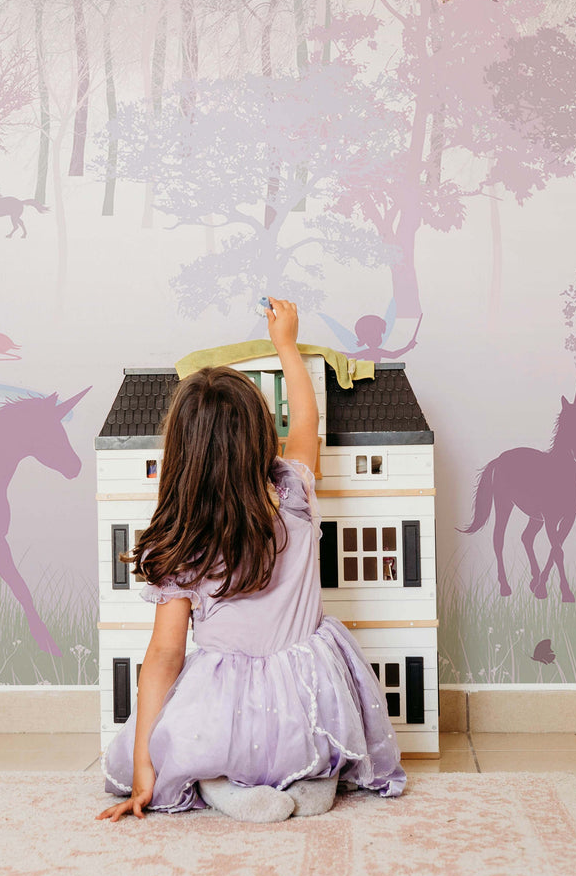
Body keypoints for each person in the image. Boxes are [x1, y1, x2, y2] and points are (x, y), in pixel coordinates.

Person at [99, 299, 406, 824]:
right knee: (308, 738)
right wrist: (286, 342)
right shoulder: (294, 495)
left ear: (182, 454)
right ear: (263, 436)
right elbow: (307, 421)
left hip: (230, 717)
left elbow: (165, 658)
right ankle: (314, 781)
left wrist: (145, 765)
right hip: (308, 703)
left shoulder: (180, 543)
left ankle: (228, 789)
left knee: (202, 743)